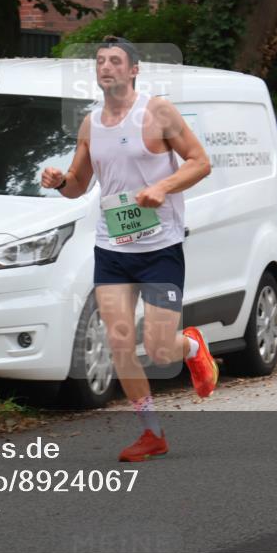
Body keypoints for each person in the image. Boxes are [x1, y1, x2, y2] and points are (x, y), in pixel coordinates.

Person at [40, 35, 217, 462]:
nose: (106, 67)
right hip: (113, 247)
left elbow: (200, 161)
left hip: (160, 247)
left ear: (133, 69)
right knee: (120, 341)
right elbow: (79, 185)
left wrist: (162, 187)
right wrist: (59, 181)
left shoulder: (157, 112)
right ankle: (151, 431)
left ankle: (192, 347)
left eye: (115, 61)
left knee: (158, 348)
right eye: (100, 61)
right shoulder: (90, 125)